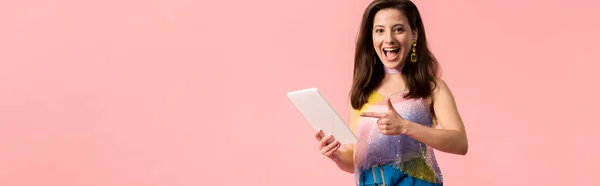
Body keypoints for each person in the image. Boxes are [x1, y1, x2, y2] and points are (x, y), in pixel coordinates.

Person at [314, 0, 469, 185]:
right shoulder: (361, 93)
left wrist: (405, 126)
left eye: (398, 29)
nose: (389, 39)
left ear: (414, 34)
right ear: (371, 38)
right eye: (380, 30)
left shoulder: (432, 87)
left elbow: (460, 143)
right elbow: (355, 159)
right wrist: (336, 155)